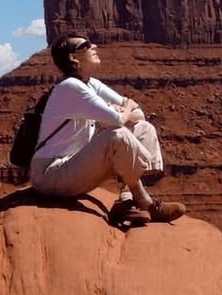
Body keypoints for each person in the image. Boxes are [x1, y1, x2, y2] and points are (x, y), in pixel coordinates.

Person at [28, 32, 187, 225]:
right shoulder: (70, 87)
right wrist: (124, 108)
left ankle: (128, 198)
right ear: (74, 58)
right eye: (86, 45)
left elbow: (139, 114)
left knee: (144, 128)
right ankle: (146, 204)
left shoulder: (90, 83)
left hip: (74, 166)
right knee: (117, 136)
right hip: (51, 173)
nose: (94, 46)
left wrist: (123, 111)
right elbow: (120, 119)